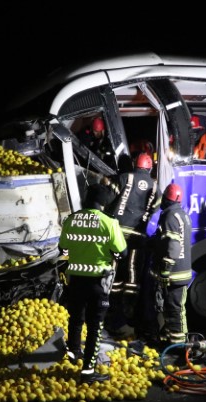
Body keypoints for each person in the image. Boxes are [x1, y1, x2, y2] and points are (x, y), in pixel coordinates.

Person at [59, 183, 127, 384]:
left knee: (76, 319)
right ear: (103, 204)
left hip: (76, 281)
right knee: (95, 327)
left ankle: (73, 356)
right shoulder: (108, 222)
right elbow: (121, 252)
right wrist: (109, 253)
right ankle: (88, 373)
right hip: (98, 282)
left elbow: (63, 249)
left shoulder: (71, 220)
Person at [104, 152, 161, 335]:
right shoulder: (155, 187)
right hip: (138, 236)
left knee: (113, 269)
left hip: (117, 232)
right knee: (132, 271)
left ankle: (111, 310)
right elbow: (156, 208)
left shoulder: (123, 178)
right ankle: (130, 309)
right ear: (150, 167)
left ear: (135, 165)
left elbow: (106, 198)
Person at [147, 182, 192, 346]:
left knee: (175, 309)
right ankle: (169, 338)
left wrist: (165, 269)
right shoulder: (182, 214)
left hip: (174, 273)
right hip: (181, 270)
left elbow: (173, 245)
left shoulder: (169, 216)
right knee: (171, 308)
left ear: (167, 199)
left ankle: (180, 346)